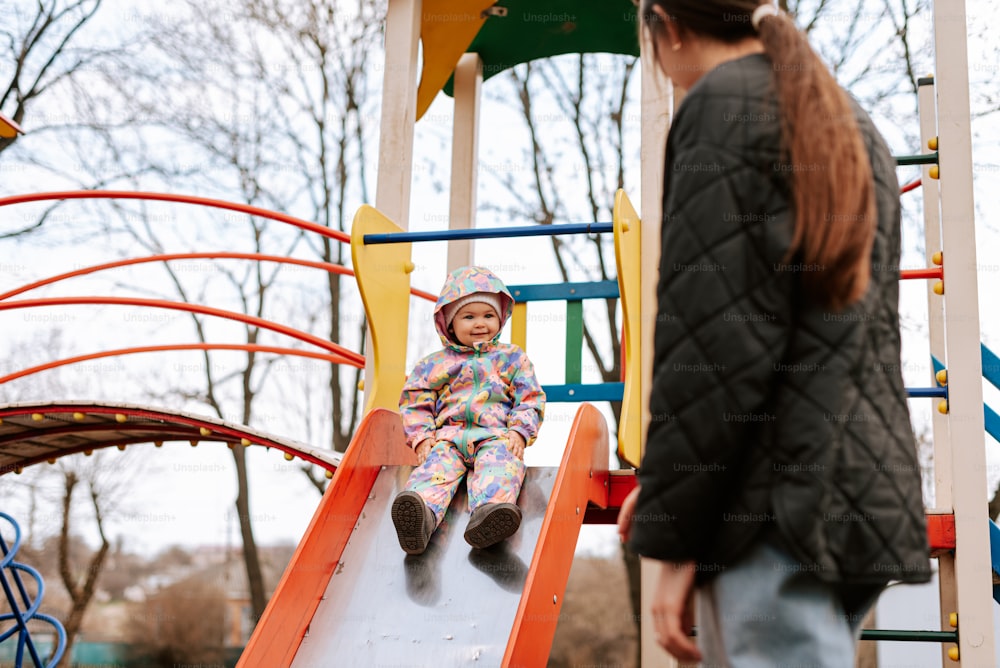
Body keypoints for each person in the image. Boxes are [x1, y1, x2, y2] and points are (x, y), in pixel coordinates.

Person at [616, 2, 931, 665]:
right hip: (855, 494)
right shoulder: (842, 115)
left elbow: (715, 344)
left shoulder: (721, 108)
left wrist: (675, 537)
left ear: (668, 28)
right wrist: (676, 489)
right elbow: (808, 334)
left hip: (769, 512)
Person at [391, 265, 545, 555]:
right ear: (449, 323)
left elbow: (530, 397)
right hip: (447, 438)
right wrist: (422, 437)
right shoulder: (433, 364)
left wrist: (520, 432)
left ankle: (490, 514)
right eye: (468, 316)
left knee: (500, 467)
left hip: (496, 436)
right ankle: (420, 516)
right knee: (434, 472)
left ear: (500, 318)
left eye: (488, 315)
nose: (480, 323)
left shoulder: (511, 358)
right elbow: (414, 402)